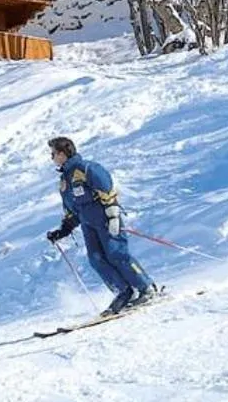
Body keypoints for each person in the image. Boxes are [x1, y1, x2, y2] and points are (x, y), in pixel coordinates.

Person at [45, 136, 161, 317]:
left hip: (105, 219)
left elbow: (107, 188)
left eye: (53, 154)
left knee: (116, 253)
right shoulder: (64, 182)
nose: (51, 157)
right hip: (87, 224)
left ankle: (146, 287)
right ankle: (123, 293)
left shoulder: (87, 168)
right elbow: (71, 210)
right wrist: (63, 230)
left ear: (62, 153)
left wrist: (113, 214)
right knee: (96, 259)